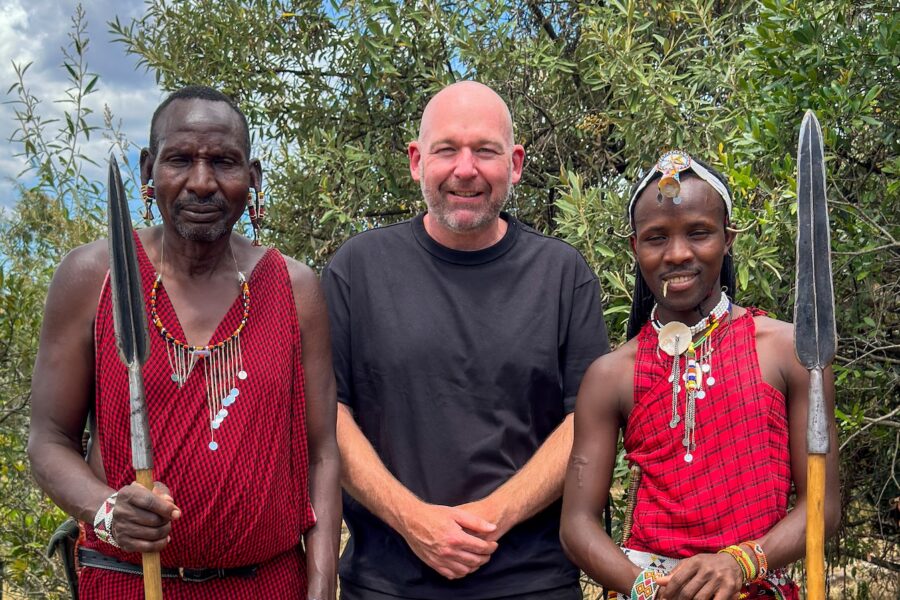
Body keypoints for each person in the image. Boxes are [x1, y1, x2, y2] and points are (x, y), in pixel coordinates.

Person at [28, 85, 340, 599]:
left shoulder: (295, 288)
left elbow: (323, 453)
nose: (201, 182)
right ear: (149, 169)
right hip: (128, 582)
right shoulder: (96, 277)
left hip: (266, 586)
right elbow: (48, 439)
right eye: (180, 160)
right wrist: (105, 511)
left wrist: (322, 587)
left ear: (253, 178)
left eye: (224, 162)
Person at [322, 81, 610, 599]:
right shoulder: (357, 270)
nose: (465, 169)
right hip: (387, 582)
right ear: (416, 161)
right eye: (447, 150)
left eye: (485, 151)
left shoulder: (562, 275)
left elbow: (585, 424)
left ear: (515, 163)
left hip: (532, 581)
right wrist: (415, 521)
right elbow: (328, 416)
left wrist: (491, 518)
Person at [560, 150, 841, 600]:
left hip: (757, 586)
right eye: (656, 238)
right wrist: (650, 587)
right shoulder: (610, 375)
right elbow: (576, 525)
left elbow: (822, 506)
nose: (677, 254)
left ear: (728, 238)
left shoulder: (791, 352)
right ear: (635, 247)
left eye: (699, 233)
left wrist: (742, 561)